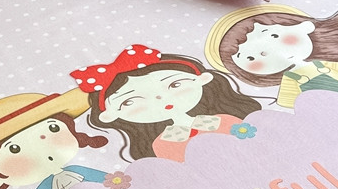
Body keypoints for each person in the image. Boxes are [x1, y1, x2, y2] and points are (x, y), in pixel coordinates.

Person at [71, 44, 261, 162]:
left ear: (202, 79)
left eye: (175, 84)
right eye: (130, 101)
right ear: (108, 115)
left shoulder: (225, 120)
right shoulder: (161, 145)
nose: (160, 99)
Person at [204, 3, 338, 111]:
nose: (264, 52)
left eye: (273, 35)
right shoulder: (290, 82)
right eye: (248, 57)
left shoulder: (333, 64)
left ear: (305, 27)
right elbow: (292, 107)